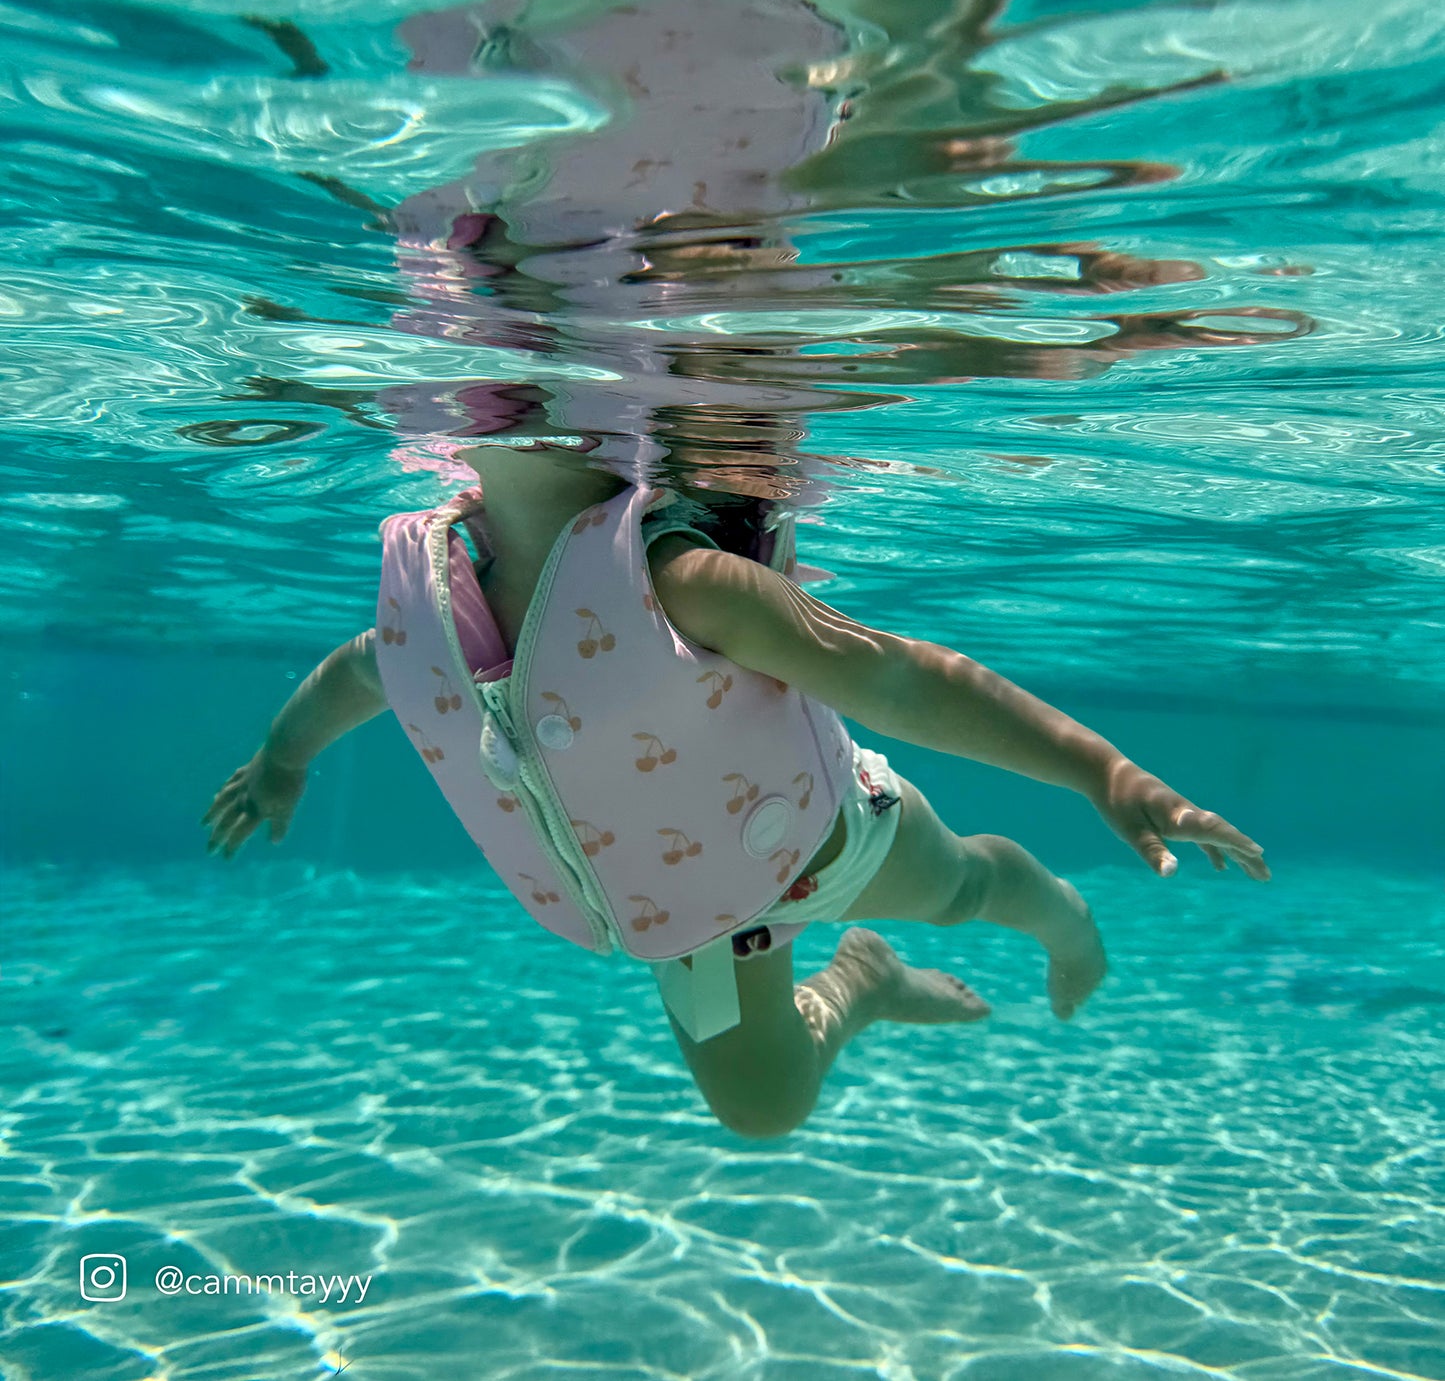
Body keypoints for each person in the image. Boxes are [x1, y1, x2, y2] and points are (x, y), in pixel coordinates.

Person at [203, 436, 1269, 1140]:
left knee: (965, 886)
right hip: (696, 923)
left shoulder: (679, 580)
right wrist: (282, 759)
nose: (520, 394)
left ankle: (1065, 921)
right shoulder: (437, 617)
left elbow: (897, 678)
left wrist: (1100, 770)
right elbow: (356, 678)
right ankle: (862, 985)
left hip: (830, 839)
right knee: (764, 1109)